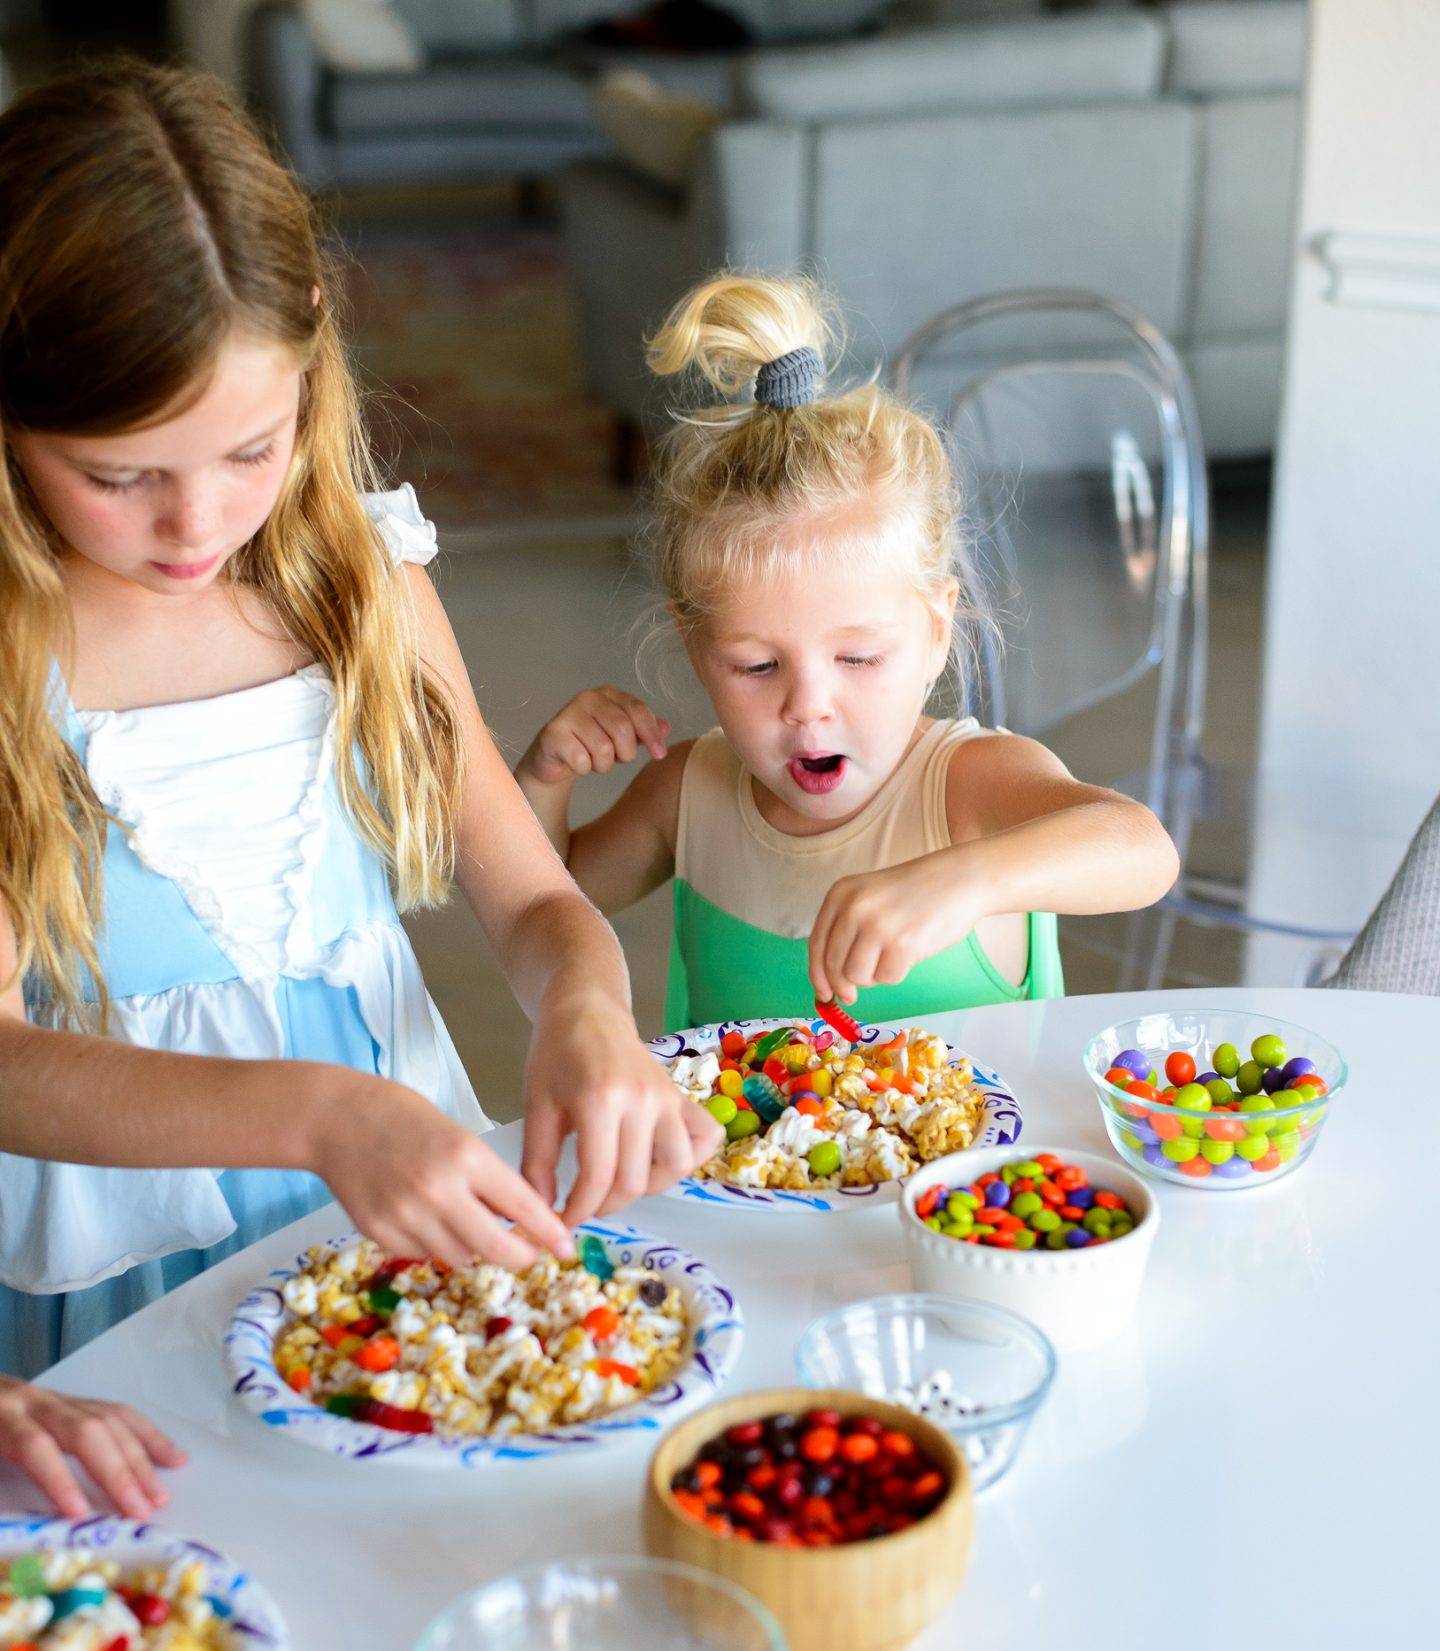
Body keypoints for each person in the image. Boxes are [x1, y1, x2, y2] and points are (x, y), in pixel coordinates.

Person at [0, 63, 718, 1508]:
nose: (196, 520)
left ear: (313, 354)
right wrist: (323, 1115)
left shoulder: (362, 581)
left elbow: (533, 900)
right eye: (121, 474)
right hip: (126, 1276)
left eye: (250, 450)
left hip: (385, 1226)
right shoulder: (19, 659)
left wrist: (586, 1006)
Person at [518, 274, 1181, 1032]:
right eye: (757, 666)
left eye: (858, 658)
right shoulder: (686, 794)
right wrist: (545, 779)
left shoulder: (967, 786)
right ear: (695, 649)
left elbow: (1144, 850)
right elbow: (545, 902)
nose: (808, 706)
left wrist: (965, 878)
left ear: (937, 630)